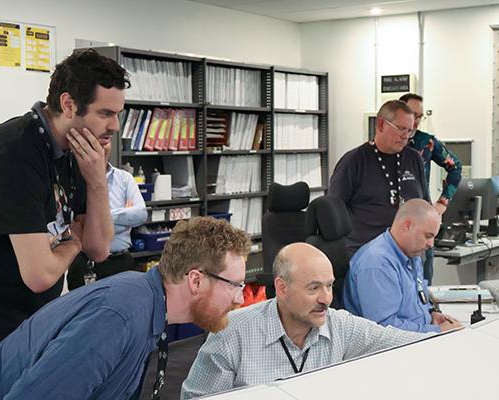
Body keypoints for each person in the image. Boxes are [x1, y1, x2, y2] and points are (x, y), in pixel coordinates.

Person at [0, 217, 251, 399]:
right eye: (234, 285)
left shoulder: (145, 304)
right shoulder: (119, 316)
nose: (240, 299)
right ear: (196, 280)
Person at [0, 49, 127, 363]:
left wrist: (97, 181)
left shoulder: (79, 148)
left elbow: (99, 248)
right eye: (105, 113)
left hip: (39, 317)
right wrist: (72, 244)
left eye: (118, 113)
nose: (115, 126)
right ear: (69, 104)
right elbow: (40, 274)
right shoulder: (15, 153)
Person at [181, 242, 429, 399]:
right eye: (313, 288)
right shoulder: (232, 333)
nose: (326, 298)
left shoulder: (339, 325)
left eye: (330, 286)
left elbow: (408, 343)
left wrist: (460, 338)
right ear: (282, 287)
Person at [343, 199, 463, 333]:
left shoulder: (411, 252)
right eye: (428, 236)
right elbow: (384, 329)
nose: (431, 244)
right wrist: (435, 331)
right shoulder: (377, 264)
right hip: (394, 347)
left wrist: (432, 314)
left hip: (417, 336)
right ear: (407, 226)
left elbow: (420, 298)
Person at [328, 100, 429, 257]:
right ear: (381, 125)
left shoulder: (413, 158)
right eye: (401, 129)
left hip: (407, 254)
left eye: (410, 131)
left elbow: (424, 204)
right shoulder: (354, 161)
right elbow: (333, 212)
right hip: (366, 255)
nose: (406, 136)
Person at [400, 93, 463, 284]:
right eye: (413, 114)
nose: (416, 120)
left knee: (423, 279)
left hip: (422, 218)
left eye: (420, 116)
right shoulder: (387, 142)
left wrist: (443, 202)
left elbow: (455, 167)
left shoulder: (426, 142)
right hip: (394, 221)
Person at [67, 140, 147, 290]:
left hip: (122, 261)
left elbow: (140, 214)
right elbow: (72, 223)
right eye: (95, 141)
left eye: (106, 141)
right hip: (86, 264)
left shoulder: (124, 178)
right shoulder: (74, 179)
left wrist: (97, 218)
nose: (101, 146)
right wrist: (124, 216)